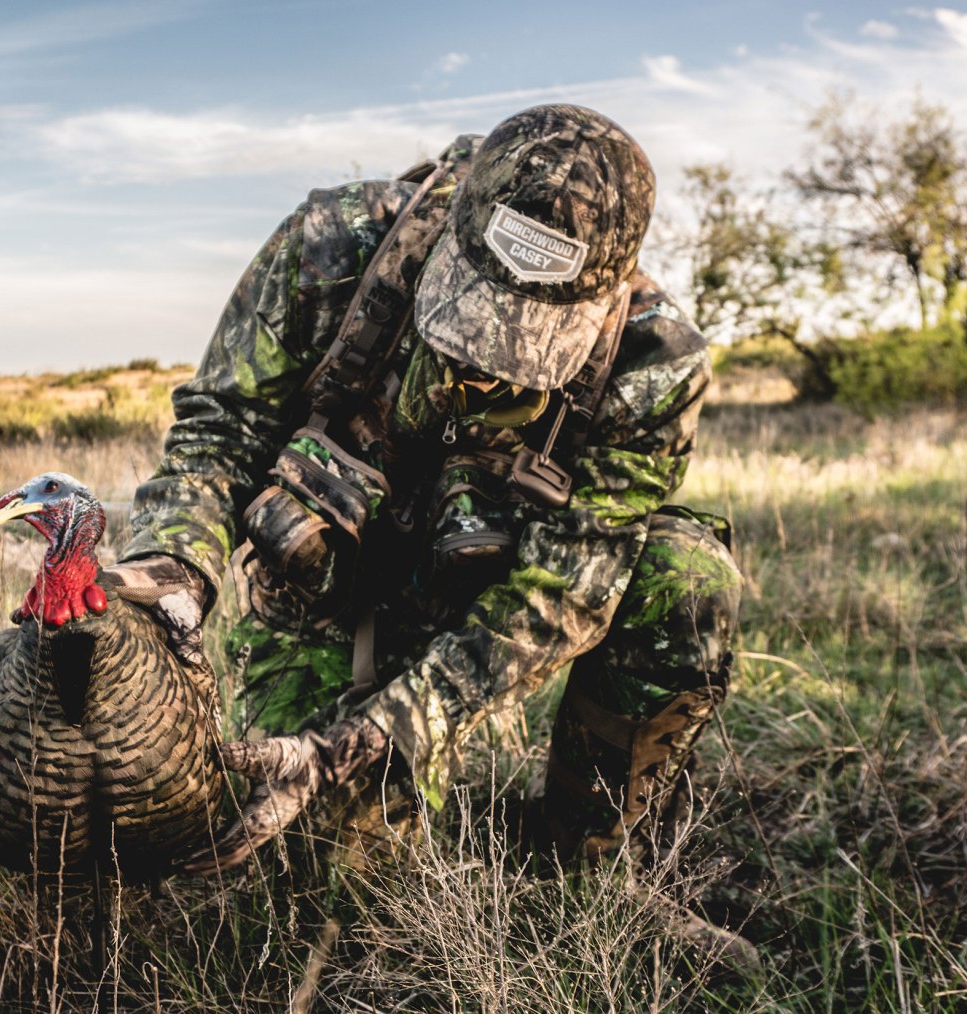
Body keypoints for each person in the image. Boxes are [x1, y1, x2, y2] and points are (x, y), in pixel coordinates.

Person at [105, 105, 742, 901]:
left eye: (531, 340)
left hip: (490, 604)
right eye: (473, 313)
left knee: (686, 577)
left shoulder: (654, 363)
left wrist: (384, 730)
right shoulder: (332, 243)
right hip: (322, 605)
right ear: (456, 223)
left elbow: (566, 587)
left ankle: (586, 877)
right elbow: (220, 427)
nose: (487, 369)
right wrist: (175, 562)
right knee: (324, 879)